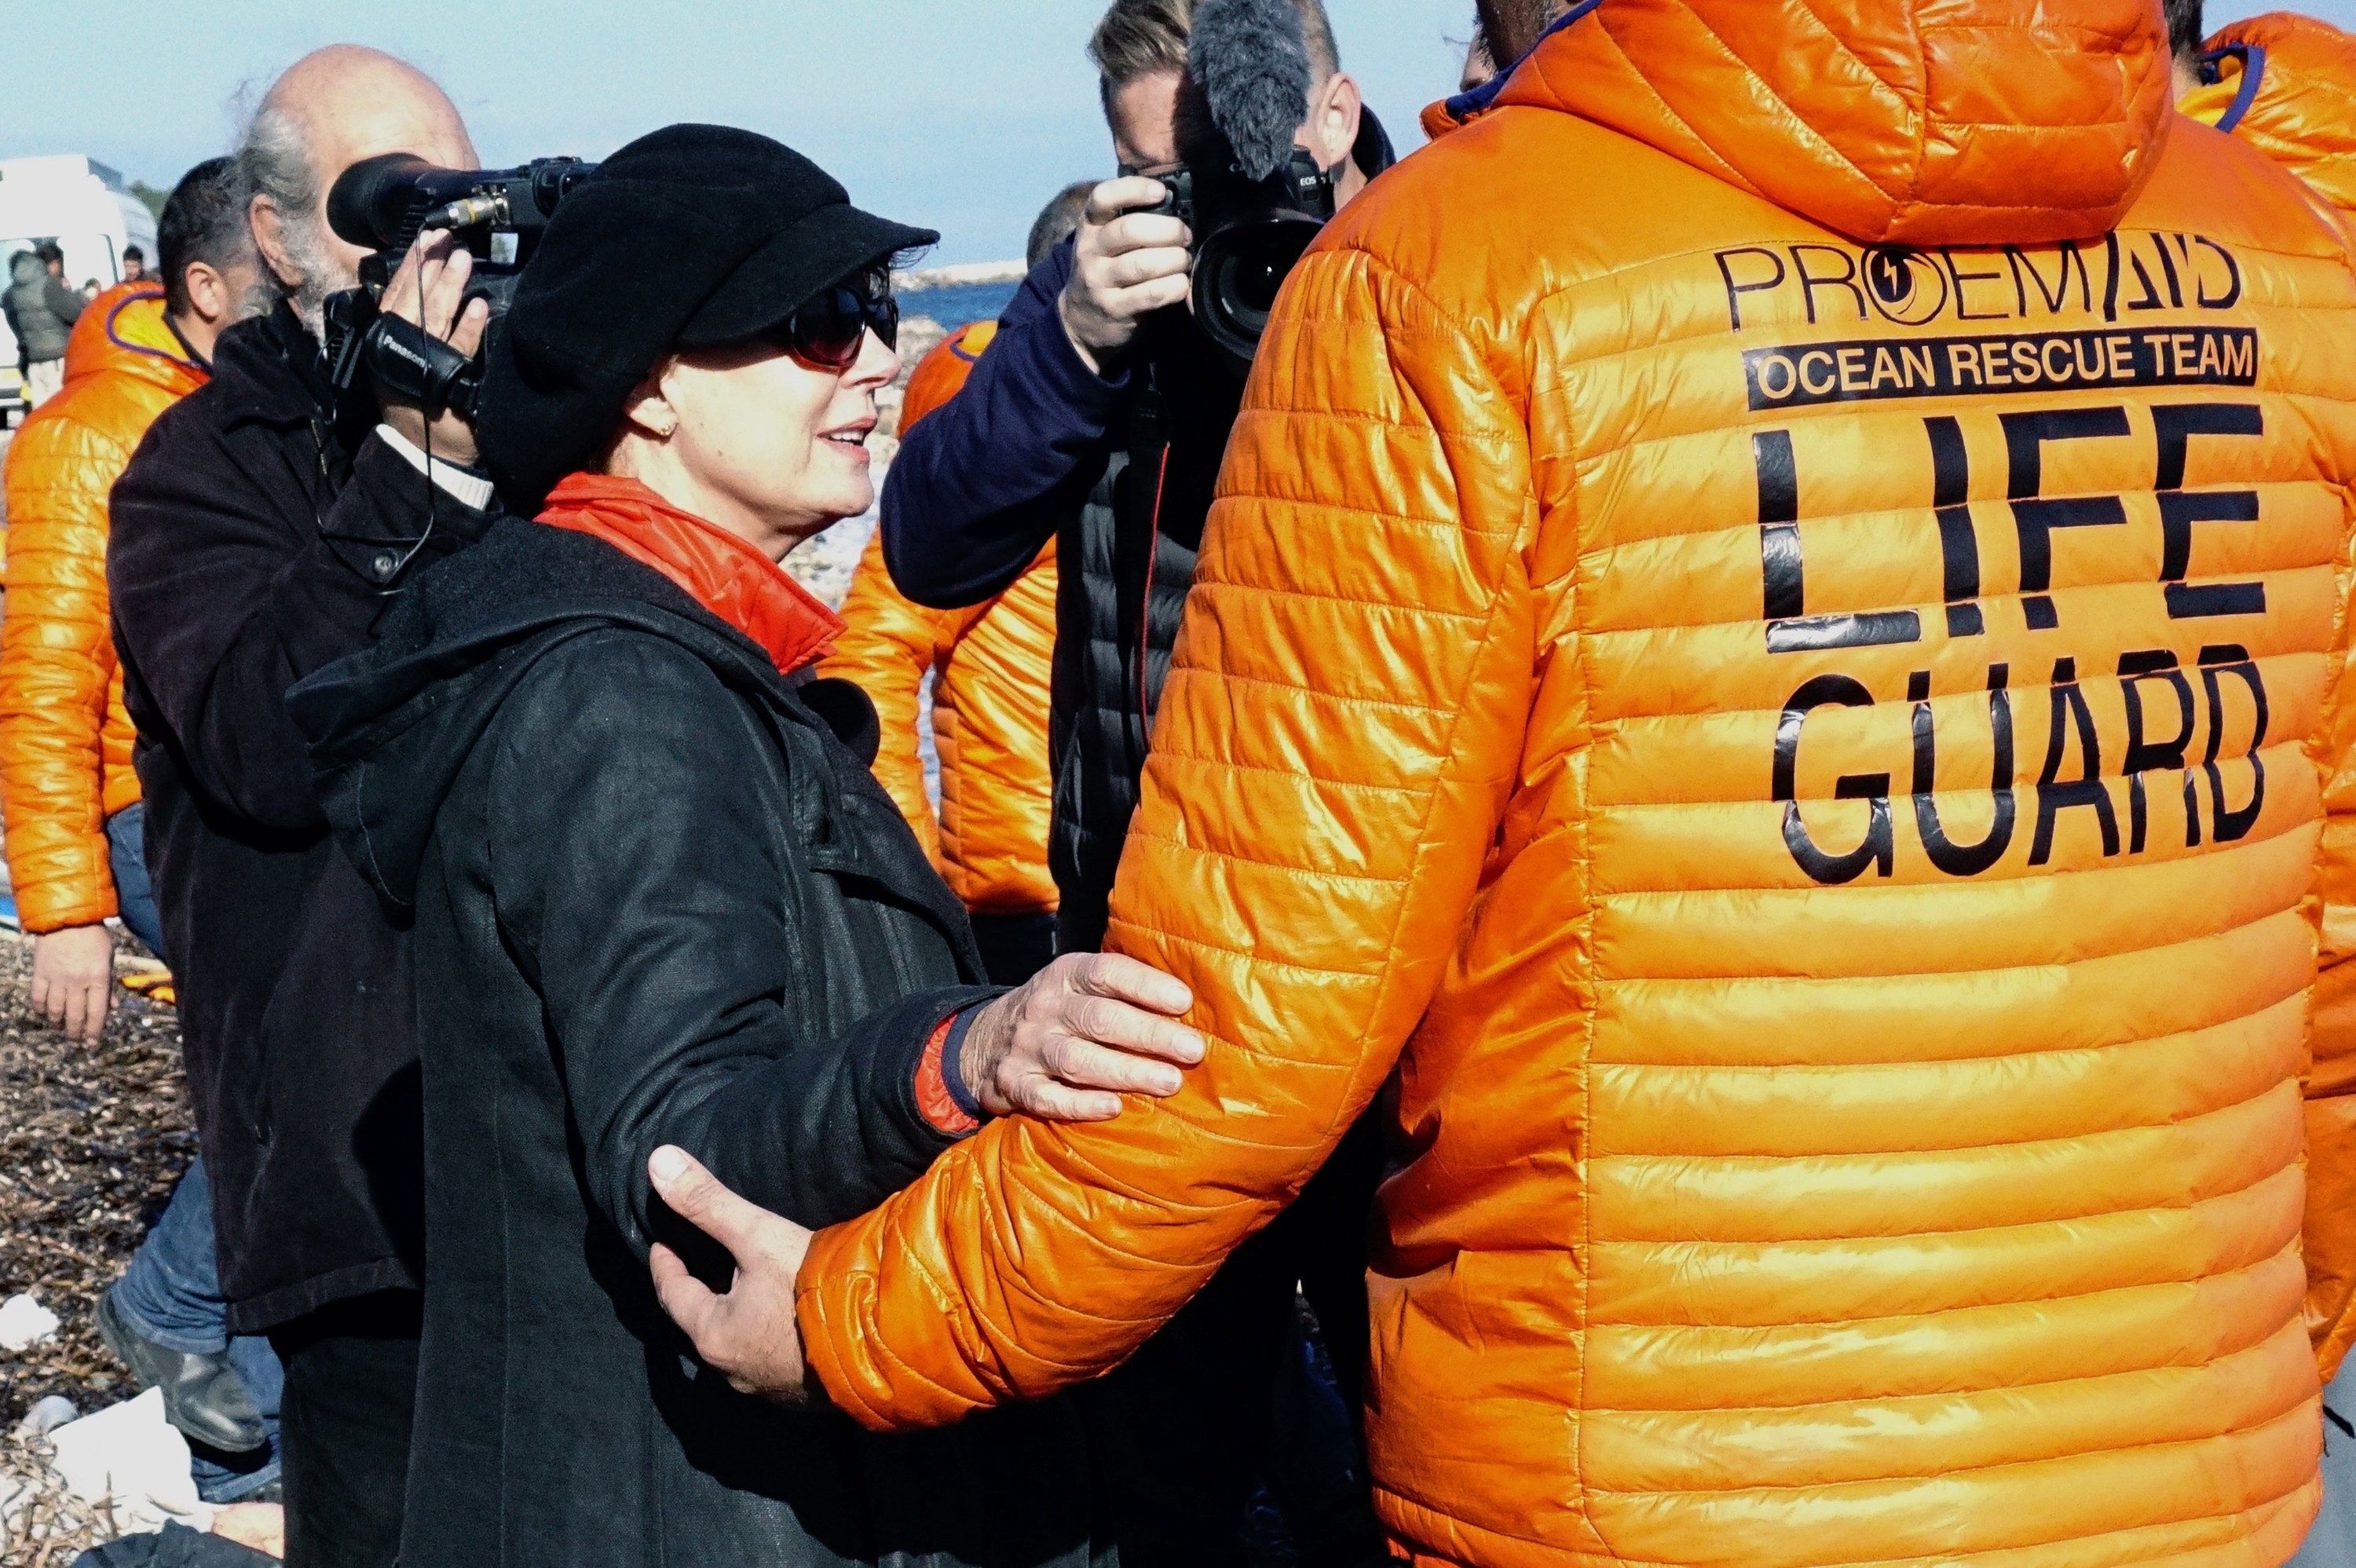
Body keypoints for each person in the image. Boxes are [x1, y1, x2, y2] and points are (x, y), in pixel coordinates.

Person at [664, 4, 2356, 1566]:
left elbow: (1245, 1031)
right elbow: (2328, 962)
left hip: (1647, 1461)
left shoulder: (1468, 269)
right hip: (2176, 1454)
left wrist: (859, 1315)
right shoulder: (2283, 260)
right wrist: (2263, 1337)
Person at [287, 122, 1211, 1568]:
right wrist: (966, 1052)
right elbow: (686, 1140)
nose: (878, 359)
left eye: (881, 313)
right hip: (698, 1510)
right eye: (812, 325)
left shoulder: (664, 652)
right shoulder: (616, 694)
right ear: (649, 386)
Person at [869, 6, 1396, 1559]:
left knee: (1417, 1426)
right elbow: (933, 542)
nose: (1197, 216)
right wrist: (1074, 344)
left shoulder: (1448, 259)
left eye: (1221, 171)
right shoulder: (1102, 307)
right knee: (1169, 1451)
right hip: (1149, 976)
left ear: (1336, 109)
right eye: (1145, 177)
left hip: (1401, 981)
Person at [108, 45, 488, 1568]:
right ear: (274, 240)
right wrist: (410, 469)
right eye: (388, 206)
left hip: (543, 1117)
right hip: (353, 1164)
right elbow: (265, 740)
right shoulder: (192, 470)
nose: (431, 251)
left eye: (458, 204)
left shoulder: (521, 429)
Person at [0, 157, 283, 1502]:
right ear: (212, 283)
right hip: (142, 809)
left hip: (230, 791)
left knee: (302, 1073)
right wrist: (64, 910)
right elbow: (43, 677)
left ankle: (259, 1443)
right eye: (284, 292)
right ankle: (176, 1307)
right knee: (303, 1049)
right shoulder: (85, 438)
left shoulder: (243, 404)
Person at [820, 185, 1090, 986]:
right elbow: (868, 651)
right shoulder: (997, 456)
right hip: (1021, 896)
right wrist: (913, 881)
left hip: (1119, 874)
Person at [4, 241, 87, 408]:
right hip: (58, 357)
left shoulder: (14, 291)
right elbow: (75, 313)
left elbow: (11, 314)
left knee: (41, 411)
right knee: (61, 407)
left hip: (34, 359)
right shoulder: (47, 285)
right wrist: (76, 296)